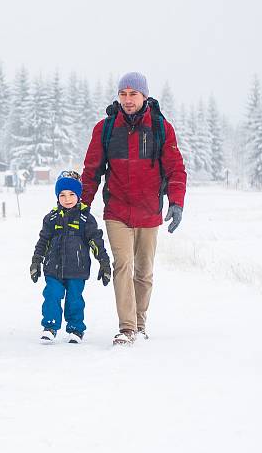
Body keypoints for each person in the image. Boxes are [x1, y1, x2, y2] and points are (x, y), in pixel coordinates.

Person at [80, 72, 187, 346]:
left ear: (144, 96)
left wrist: (176, 202)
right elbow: (91, 171)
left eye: (133, 94)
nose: (127, 99)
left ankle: (140, 322)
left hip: (149, 212)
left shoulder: (161, 128)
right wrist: (83, 205)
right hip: (117, 210)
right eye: (123, 94)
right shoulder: (105, 129)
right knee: (123, 265)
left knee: (144, 271)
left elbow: (175, 169)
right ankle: (126, 328)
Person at [30, 171, 111, 344]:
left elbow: (96, 241)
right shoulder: (51, 218)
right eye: (62, 195)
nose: (67, 199)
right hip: (53, 268)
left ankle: (75, 328)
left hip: (77, 269)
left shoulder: (85, 218)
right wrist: (36, 260)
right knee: (51, 294)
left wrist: (104, 262)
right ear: (57, 197)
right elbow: (43, 240)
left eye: (72, 194)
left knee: (74, 299)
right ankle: (50, 326)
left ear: (79, 195)